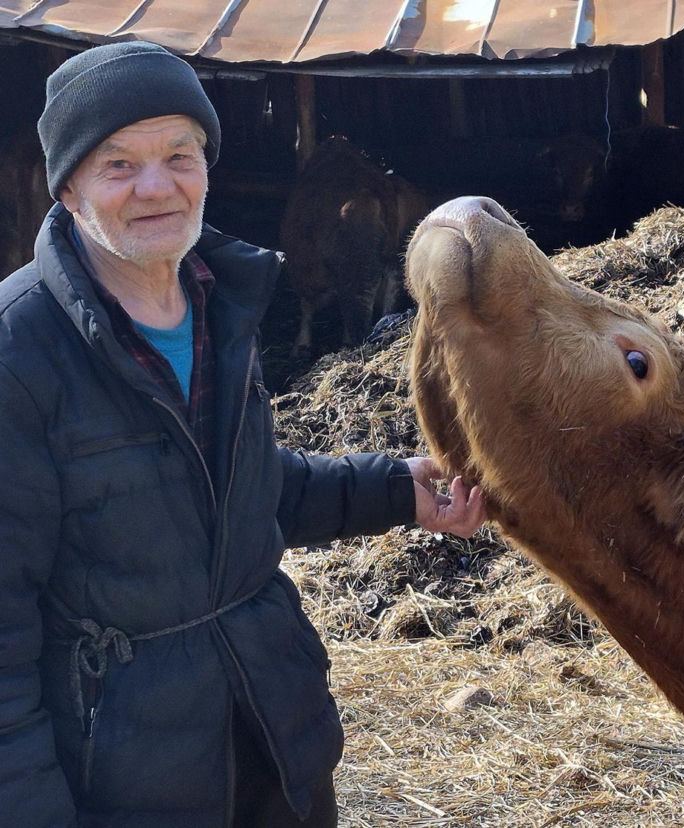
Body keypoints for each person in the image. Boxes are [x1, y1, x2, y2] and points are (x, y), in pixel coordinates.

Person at [0, 41, 486, 827]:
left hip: (274, 743)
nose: (156, 187)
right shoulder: (19, 354)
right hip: (128, 779)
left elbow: (250, 490)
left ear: (207, 166)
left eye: (178, 155)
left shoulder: (219, 303)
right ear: (67, 187)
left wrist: (396, 487)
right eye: (118, 164)